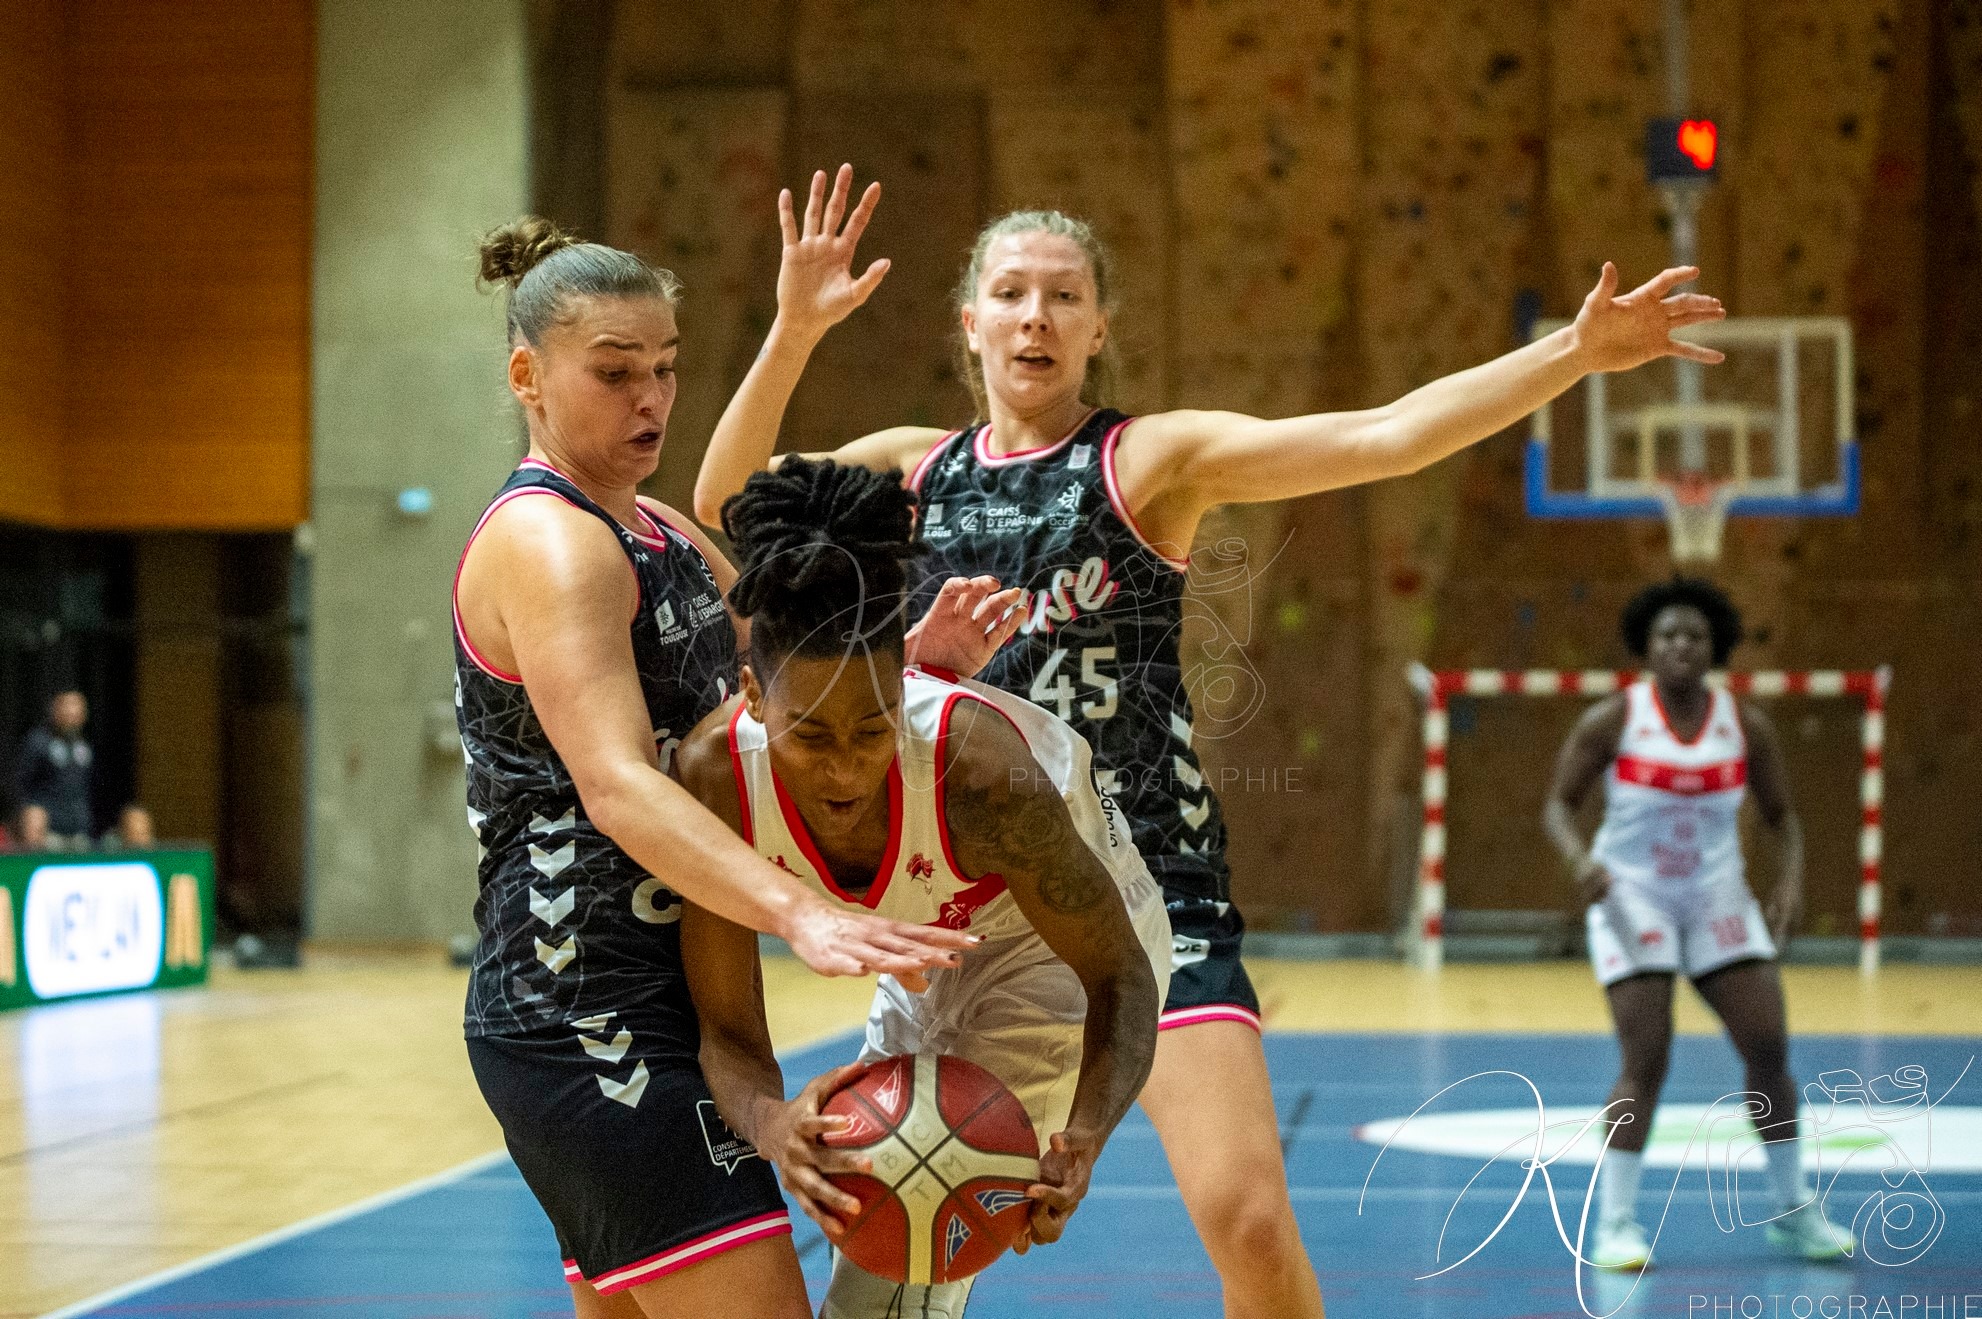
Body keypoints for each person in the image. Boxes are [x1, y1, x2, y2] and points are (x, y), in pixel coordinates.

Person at [693, 166, 1729, 1316]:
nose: (1036, 316)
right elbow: (729, 504)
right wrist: (793, 330)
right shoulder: (910, 471)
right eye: (1011, 292)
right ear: (969, 320)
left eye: (1063, 296)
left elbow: (1383, 435)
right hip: (974, 895)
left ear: (1098, 328)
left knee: (1247, 1218)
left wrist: (1570, 353)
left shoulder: (1148, 460)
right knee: (906, 1236)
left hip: (1149, 881)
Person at [453, 218, 996, 1318]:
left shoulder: (655, 529)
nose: (649, 398)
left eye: (663, 368)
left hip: (669, 995)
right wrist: (802, 911)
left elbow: (780, 697)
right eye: (613, 372)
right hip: (582, 1005)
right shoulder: (551, 544)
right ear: (527, 376)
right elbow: (617, 785)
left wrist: (913, 662)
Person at [674, 456, 1168, 1319]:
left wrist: (1085, 1136)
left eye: (871, 730)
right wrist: (771, 1123)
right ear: (752, 693)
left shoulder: (984, 779)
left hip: (1053, 950)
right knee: (881, 1212)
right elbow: (725, 1024)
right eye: (810, 735)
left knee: (885, 1286)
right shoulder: (715, 777)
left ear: (902, 685)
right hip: (929, 942)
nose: (844, 768)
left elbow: (1119, 975)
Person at [1544, 578, 1857, 1270]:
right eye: (1668, 635)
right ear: (1646, 647)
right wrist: (1578, 860)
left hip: (1716, 897)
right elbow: (1558, 805)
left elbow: (1783, 818)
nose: (1681, 645)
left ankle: (1793, 1208)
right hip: (1634, 897)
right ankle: (1615, 1224)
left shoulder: (1746, 725)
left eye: (1695, 635)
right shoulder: (1612, 719)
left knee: (1768, 1046)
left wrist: (1790, 882)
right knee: (1647, 1057)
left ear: (1716, 647)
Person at [13, 691, 94, 850]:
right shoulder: (38, 742)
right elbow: (20, 784)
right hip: (48, 833)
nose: (72, 713)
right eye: (67, 707)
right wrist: (29, 815)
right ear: (55, 710)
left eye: (77, 708)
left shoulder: (86, 745)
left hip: (80, 832)